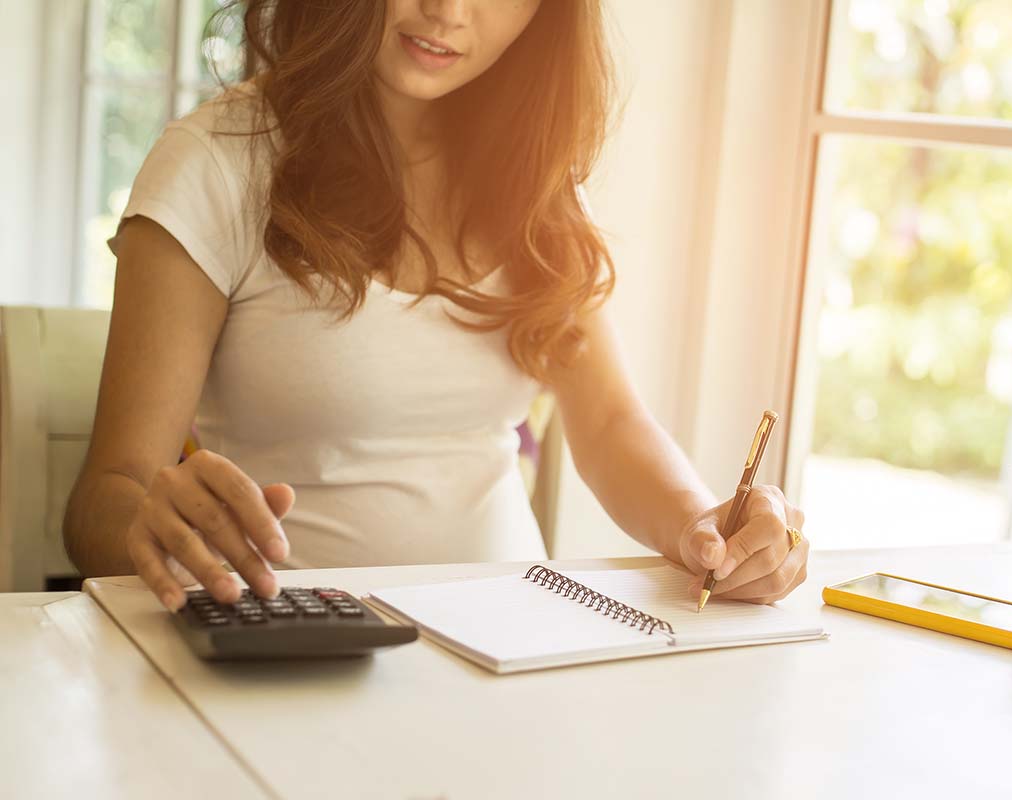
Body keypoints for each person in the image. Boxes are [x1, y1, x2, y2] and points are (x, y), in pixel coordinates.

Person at [63, 0, 809, 612]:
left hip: (512, 639)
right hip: (295, 647)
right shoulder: (216, 164)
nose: (447, 11)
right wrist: (152, 526)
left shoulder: (534, 178)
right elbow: (105, 495)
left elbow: (610, 425)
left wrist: (703, 529)